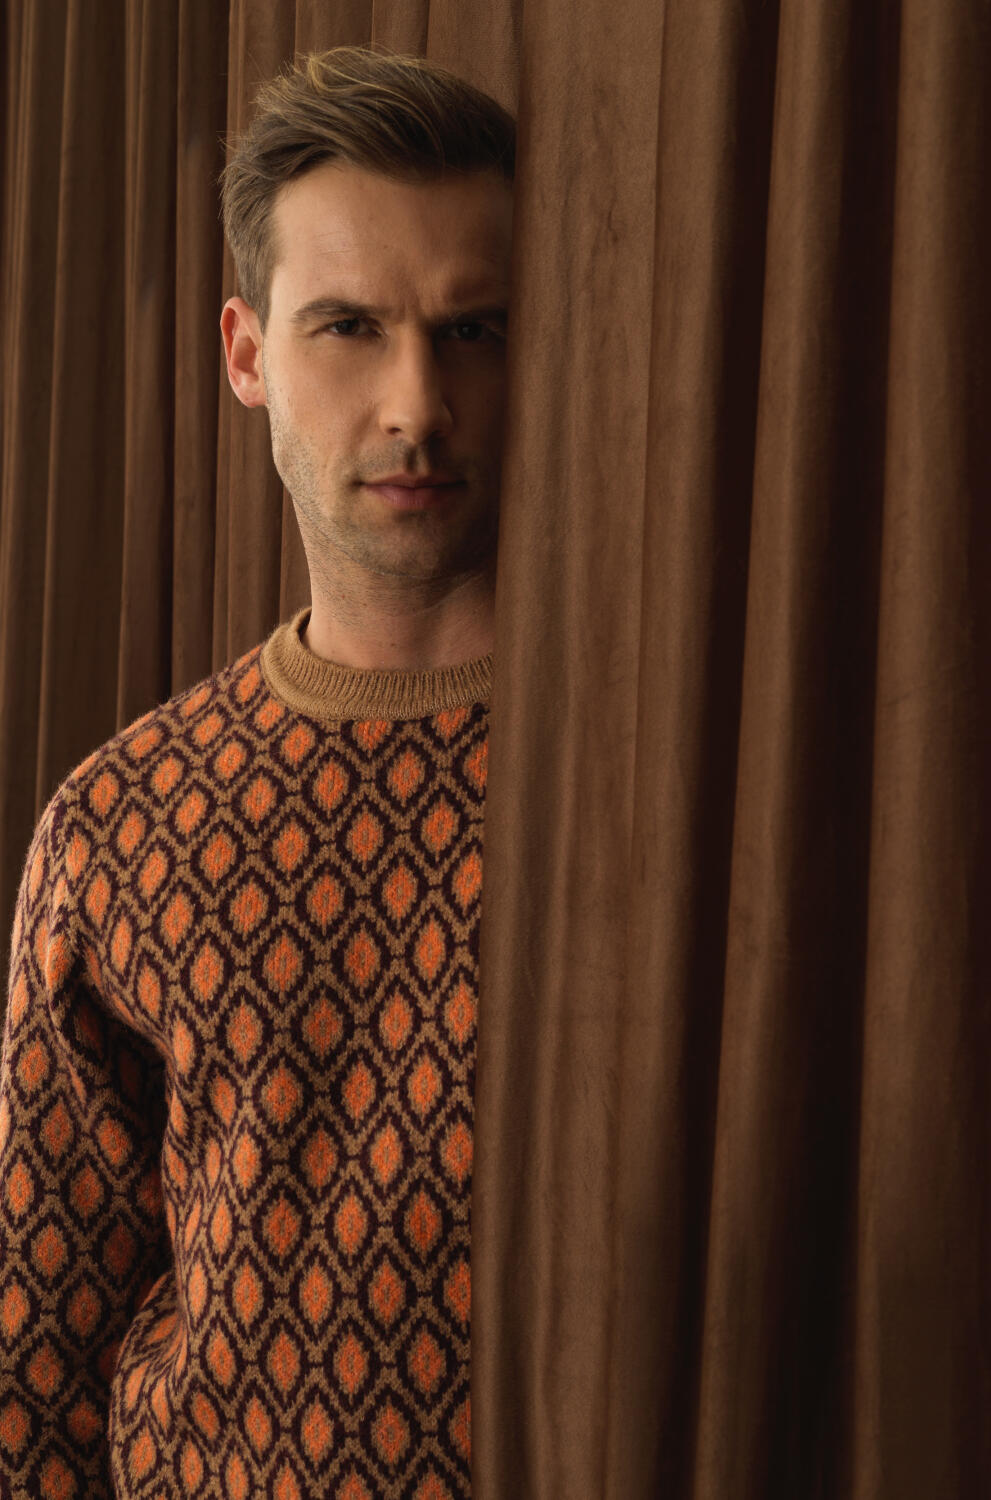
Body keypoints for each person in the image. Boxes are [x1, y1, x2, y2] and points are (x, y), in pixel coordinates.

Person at [0, 46, 513, 1499]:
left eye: (472, 330)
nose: (417, 402)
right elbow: (36, 1367)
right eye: (348, 326)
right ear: (246, 354)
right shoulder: (119, 824)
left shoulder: (655, 789)